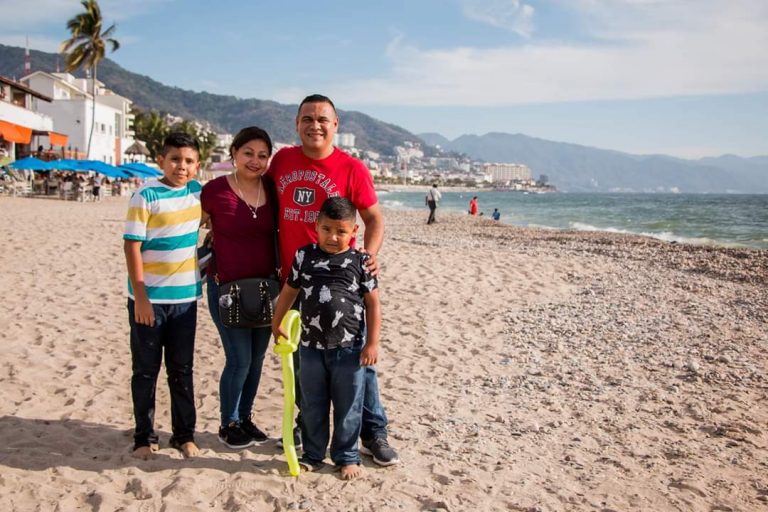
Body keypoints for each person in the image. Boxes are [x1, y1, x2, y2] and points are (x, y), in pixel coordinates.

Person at [268, 93, 399, 466]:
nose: (315, 125)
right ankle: (306, 432)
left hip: (344, 283)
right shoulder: (282, 161)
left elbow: (374, 218)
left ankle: (373, 433)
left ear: (335, 125)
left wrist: (369, 255)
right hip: (297, 277)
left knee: (359, 366)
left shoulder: (352, 168)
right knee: (305, 365)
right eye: (307, 118)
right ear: (297, 124)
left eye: (323, 119)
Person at [272, 197, 381, 480]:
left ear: (354, 231)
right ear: (316, 227)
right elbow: (289, 291)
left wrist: (372, 343)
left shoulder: (361, 261)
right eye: (326, 229)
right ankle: (313, 455)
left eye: (341, 231)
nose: (333, 237)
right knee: (312, 404)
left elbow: (373, 304)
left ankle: (347, 456)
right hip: (310, 348)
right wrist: (276, 321)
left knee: (348, 406)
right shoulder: (304, 256)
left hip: (349, 348)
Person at [123, 132, 203, 460]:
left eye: (188, 161)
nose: (181, 166)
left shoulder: (197, 193)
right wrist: (141, 296)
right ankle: (144, 437)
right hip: (149, 301)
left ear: (197, 166)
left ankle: (184, 435)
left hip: (185, 301)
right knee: (145, 370)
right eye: (174, 159)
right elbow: (132, 246)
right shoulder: (146, 194)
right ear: (161, 161)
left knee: (182, 370)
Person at [201, 127, 277, 449]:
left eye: (262, 155)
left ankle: (245, 418)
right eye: (248, 153)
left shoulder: (272, 189)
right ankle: (228, 422)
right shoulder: (214, 190)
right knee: (239, 359)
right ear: (234, 153)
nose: (255, 161)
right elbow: (189, 227)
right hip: (225, 289)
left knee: (257, 358)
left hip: (265, 290)